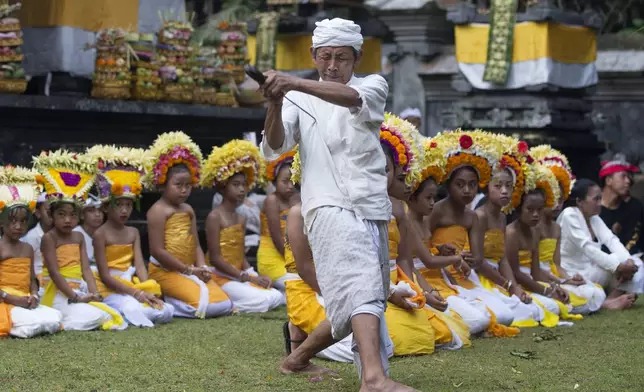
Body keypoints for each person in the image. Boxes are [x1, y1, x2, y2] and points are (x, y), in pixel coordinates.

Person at [260, 17, 415, 390]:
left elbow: (352, 99)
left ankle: (296, 359)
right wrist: (276, 102)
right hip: (326, 206)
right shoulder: (296, 96)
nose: (332, 66)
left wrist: (292, 81)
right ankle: (374, 379)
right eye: (325, 57)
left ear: (357, 58)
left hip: (371, 206)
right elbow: (276, 146)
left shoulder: (372, 85)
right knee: (361, 289)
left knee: (365, 295)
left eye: (342, 58)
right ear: (314, 55)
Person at [421, 131, 520, 334]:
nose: (467, 190)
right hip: (436, 273)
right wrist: (442, 252)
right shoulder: (436, 210)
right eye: (460, 185)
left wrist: (468, 258)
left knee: (507, 316)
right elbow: (421, 248)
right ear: (448, 185)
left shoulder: (472, 217)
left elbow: (478, 258)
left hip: (465, 274)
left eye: (472, 185)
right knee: (480, 320)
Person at [34, 150, 127, 331]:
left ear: (79, 217)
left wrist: (94, 293)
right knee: (94, 316)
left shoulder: (78, 237)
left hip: (77, 288)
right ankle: (58, 321)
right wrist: (75, 297)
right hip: (58, 292)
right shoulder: (49, 238)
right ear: (51, 215)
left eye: (72, 215)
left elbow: (85, 269)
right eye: (61, 215)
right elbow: (54, 273)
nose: (67, 220)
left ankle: (67, 314)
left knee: (105, 312)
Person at [146, 132, 233, 319]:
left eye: (188, 185)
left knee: (225, 303)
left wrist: (202, 267)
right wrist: (187, 270)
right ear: (163, 184)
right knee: (206, 306)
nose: (184, 190)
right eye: (178, 184)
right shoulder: (157, 211)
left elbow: (195, 245)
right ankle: (170, 302)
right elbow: (157, 251)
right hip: (164, 271)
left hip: (191, 269)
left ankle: (180, 296)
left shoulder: (188, 209)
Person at [88, 145, 174, 327]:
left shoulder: (133, 232)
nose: (125, 210)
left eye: (128, 205)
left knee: (166, 309)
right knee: (133, 307)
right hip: (110, 288)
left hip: (131, 284)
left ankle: (136, 308)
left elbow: (140, 266)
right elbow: (105, 276)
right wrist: (136, 294)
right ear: (105, 207)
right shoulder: (100, 234)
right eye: (119, 205)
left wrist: (146, 287)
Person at [202, 139, 284, 313]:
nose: (241, 190)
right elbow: (216, 259)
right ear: (223, 187)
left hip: (239, 273)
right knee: (263, 300)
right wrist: (246, 278)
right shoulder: (214, 217)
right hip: (220, 275)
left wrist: (254, 274)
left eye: (244, 185)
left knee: (275, 296)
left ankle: (235, 298)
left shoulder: (241, 217)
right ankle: (227, 303)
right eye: (236, 185)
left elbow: (240, 255)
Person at [472, 137, 544, 327]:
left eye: (509, 186)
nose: (504, 191)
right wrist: (508, 285)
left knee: (533, 310)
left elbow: (502, 259)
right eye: (498, 186)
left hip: (500, 277)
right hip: (482, 278)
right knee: (512, 314)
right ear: (486, 188)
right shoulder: (479, 216)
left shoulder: (502, 217)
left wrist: (515, 287)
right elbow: (479, 263)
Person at [505, 164, 576, 327]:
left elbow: (535, 271)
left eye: (539, 209)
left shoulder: (535, 231)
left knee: (560, 302)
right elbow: (515, 272)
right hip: (516, 282)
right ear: (519, 208)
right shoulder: (511, 233)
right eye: (530, 209)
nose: (536, 214)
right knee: (549, 307)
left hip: (530, 280)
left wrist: (555, 286)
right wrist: (545, 291)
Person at [557, 179, 644, 309]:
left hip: (592, 272)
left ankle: (612, 298)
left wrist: (628, 261)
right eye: (595, 199)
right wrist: (617, 266)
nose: (599, 203)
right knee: (591, 293)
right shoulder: (569, 215)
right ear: (579, 202)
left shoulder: (594, 217)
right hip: (573, 275)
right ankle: (607, 303)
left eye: (600, 199)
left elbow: (611, 240)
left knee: (637, 264)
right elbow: (587, 248)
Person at [0, 165, 63, 338]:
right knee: (35, 323)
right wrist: (12, 299)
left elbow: (31, 279)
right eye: (13, 222)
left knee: (55, 317)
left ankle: (22, 325)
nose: (18, 227)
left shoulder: (27, 248)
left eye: (22, 222)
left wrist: (34, 294)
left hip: (25, 299)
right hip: (5, 301)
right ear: (2, 223)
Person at [538, 193, 606, 314]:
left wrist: (569, 279)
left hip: (554, 276)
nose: (558, 205)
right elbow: (536, 269)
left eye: (561, 200)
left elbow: (557, 266)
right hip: (539, 277)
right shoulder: (533, 228)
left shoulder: (556, 228)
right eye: (554, 200)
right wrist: (562, 282)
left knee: (596, 292)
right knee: (577, 299)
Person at [258, 149, 299, 290]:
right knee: (297, 283)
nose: (290, 186)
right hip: (272, 256)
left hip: (293, 255)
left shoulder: (296, 198)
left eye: (293, 181)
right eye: (285, 182)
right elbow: (276, 238)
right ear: (275, 181)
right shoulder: (272, 201)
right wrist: (295, 263)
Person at [597, 156, 644, 254]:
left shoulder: (634, 207)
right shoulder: (592, 207)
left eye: (629, 177)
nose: (628, 181)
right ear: (608, 180)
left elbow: (636, 239)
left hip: (630, 260)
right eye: (623, 177)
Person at [21, 193, 53, 285]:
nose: (52, 215)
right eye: (48, 212)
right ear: (38, 213)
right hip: (38, 281)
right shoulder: (31, 237)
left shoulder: (61, 235)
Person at [73, 194, 103, 268]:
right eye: (91, 211)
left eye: (100, 210)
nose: (97, 214)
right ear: (82, 215)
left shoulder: (105, 233)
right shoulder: (75, 234)